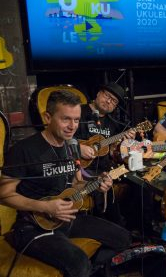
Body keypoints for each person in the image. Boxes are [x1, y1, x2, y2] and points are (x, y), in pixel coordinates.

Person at [0, 90, 131, 277]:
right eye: (66, 119)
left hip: (66, 219)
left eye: (77, 120)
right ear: (48, 117)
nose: (72, 126)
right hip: (32, 226)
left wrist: (98, 183)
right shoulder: (24, 150)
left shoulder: (72, 147)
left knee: (123, 239)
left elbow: (77, 183)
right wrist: (44, 206)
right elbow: (3, 194)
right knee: (79, 264)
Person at [74, 83, 135, 225]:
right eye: (107, 96)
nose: (109, 101)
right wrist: (79, 147)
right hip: (79, 168)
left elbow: (113, 151)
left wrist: (123, 142)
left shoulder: (113, 123)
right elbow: (59, 138)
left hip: (104, 169)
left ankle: (132, 228)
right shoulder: (78, 112)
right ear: (98, 94)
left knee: (139, 184)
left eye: (114, 101)